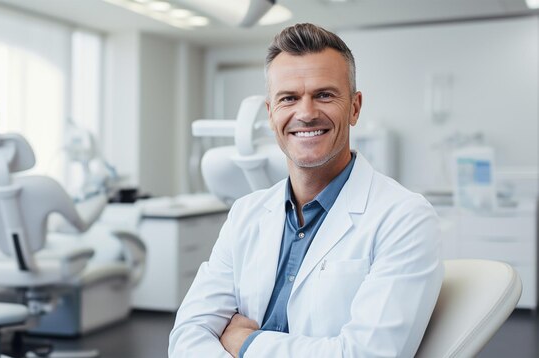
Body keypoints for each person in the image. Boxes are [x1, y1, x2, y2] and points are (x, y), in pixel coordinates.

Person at [169, 23, 443, 358]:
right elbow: (187, 335)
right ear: (271, 115)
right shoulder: (246, 213)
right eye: (289, 98)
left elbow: (369, 355)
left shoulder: (404, 217)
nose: (306, 113)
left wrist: (246, 344)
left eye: (324, 95)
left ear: (355, 108)